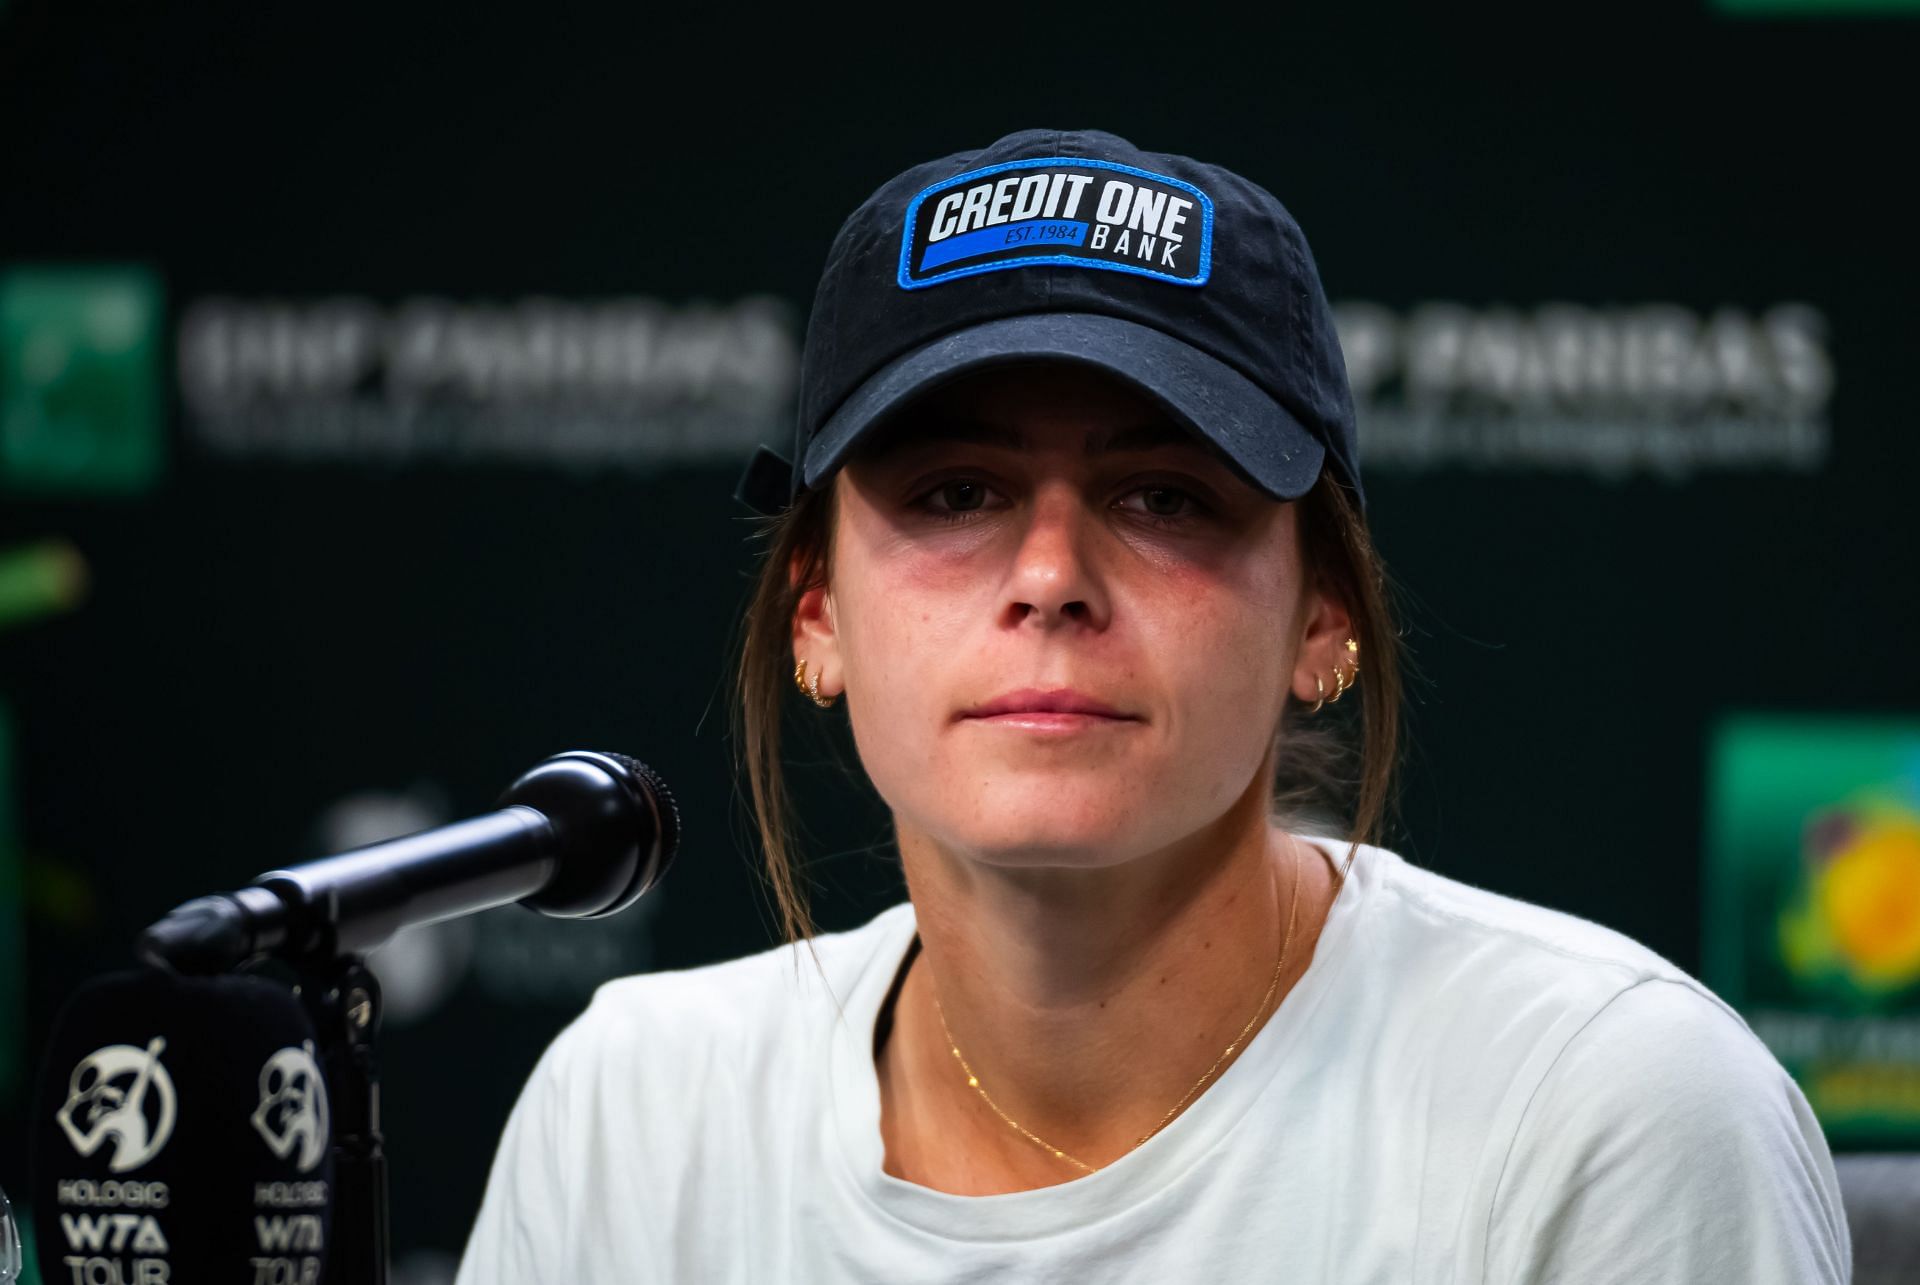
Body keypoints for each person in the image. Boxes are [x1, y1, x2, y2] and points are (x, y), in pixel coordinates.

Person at [454, 129, 1851, 1283]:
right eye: (957, 492)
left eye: (1163, 495)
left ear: (1324, 616)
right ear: (816, 612)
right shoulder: (629, 1121)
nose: (1052, 576)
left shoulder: (1598, 1109)